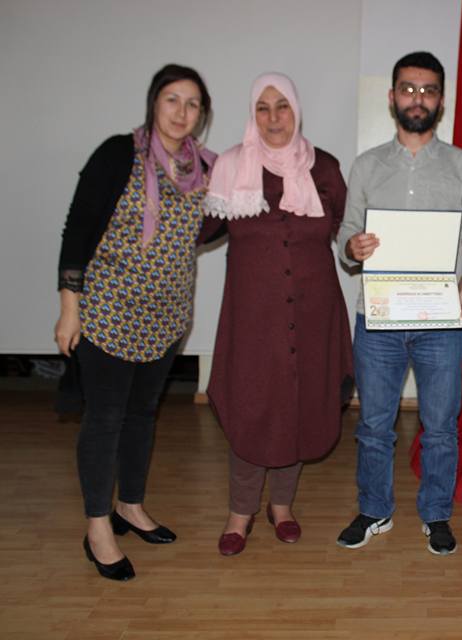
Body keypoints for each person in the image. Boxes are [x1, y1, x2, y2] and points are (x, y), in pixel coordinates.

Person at [55, 64, 215, 581]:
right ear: (153, 103)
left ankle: (132, 505)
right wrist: (69, 307)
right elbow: (77, 229)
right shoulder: (118, 153)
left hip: (167, 317)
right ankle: (98, 526)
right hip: (107, 313)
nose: (181, 112)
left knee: (143, 414)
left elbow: (204, 228)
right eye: (172, 100)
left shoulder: (203, 168)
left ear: (202, 115)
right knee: (104, 419)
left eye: (192, 104)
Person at [335, 51, 462, 555]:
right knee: (375, 422)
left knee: (441, 426)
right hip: (378, 315)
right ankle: (375, 509)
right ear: (392, 97)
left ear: (441, 100)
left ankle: (436, 514)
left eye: (427, 90)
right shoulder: (366, 165)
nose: (417, 98)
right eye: (408, 89)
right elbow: (345, 232)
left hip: (441, 317)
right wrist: (352, 248)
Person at [202, 73, 352, 556]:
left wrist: (365, 244)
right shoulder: (228, 167)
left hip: (314, 312)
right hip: (254, 318)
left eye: (281, 106)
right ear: (252, 113)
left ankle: (282, 506)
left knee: (301, 405)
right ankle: (239, 512)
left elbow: (349, 232)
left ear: (296, 110)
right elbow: (200, 229)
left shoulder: (323, 167)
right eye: (262, 108)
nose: (272, 118)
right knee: (253, 407)